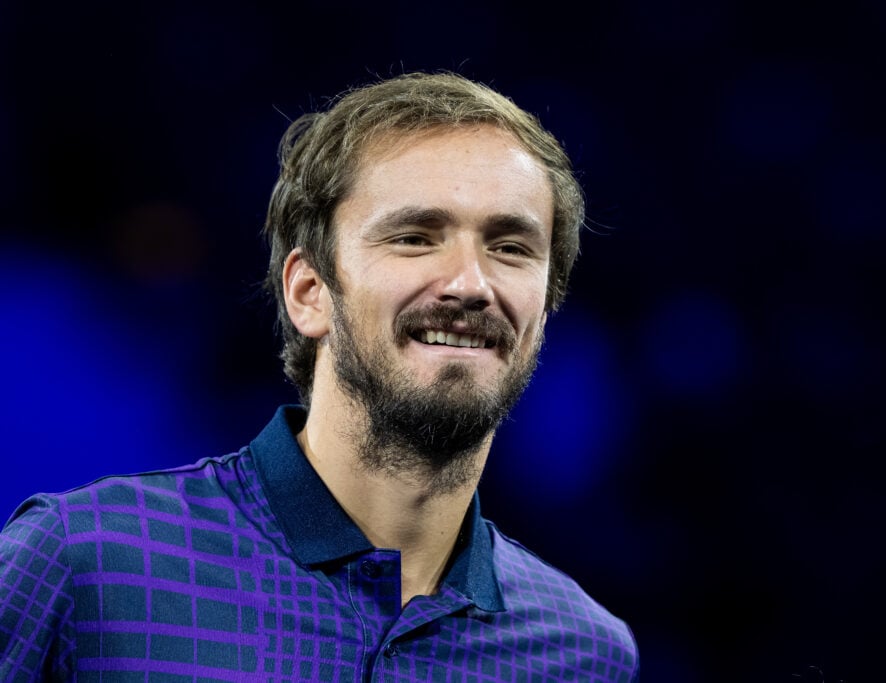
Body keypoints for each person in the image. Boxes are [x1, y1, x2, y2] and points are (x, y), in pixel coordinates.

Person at [0, 71, 640, 681]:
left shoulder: (584, 651)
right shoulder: (84, 563)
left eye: (510, 248)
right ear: (309, 292)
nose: (471, 284)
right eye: (415, 237)